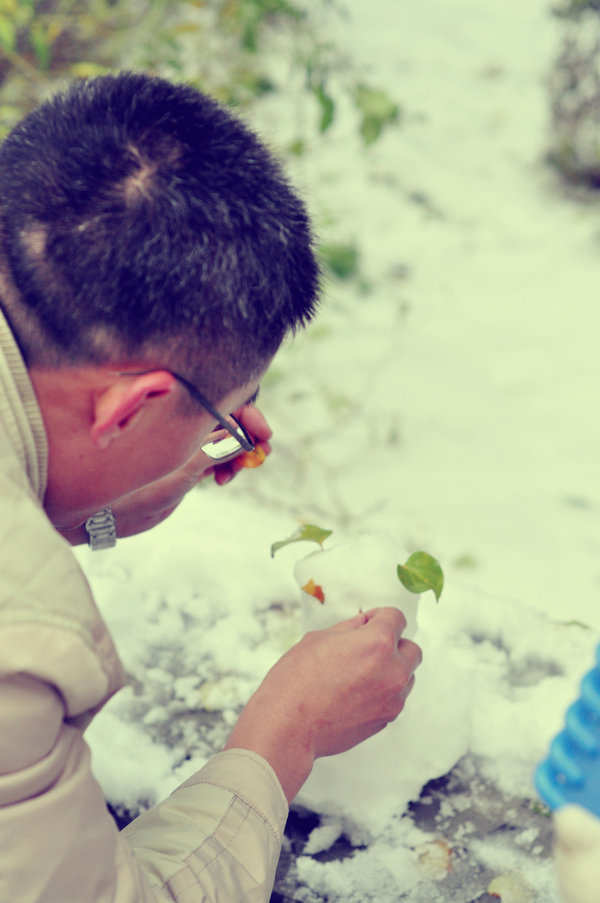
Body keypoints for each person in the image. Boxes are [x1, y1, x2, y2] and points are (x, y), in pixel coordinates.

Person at [0, 72, 422, 903]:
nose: (226, 433)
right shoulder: (21, 635)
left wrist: (94, 509)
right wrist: (286, 732)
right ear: (133, 406)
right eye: (220, 412)